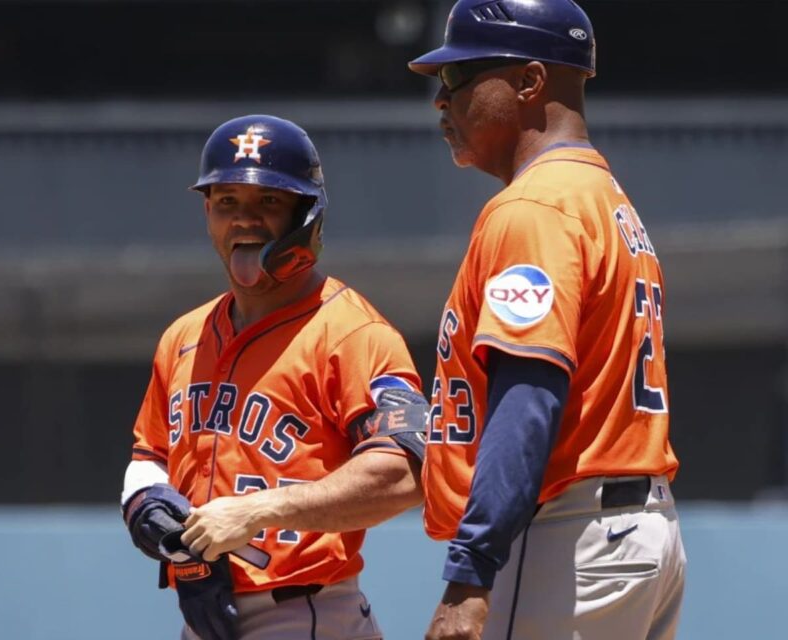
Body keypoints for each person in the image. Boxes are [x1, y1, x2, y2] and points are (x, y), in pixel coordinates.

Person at [407, 2, 686, 639]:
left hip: (563, 536)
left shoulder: (534, 205)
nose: (440, 101)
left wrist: (470, 573)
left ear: (531, 82)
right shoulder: (604, 198)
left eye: (459, 78)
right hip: (632, 535)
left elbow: (528, 398)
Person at [121, 114, 430, 640]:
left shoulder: (352, 332)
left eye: (268, 202)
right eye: (227, 203)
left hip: (306, 611)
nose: (244, 220)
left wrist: (257, 511)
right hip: (205, 613)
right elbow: (149, 456)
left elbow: (407, 473)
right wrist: (146, 506)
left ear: (305, 215)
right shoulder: (184, 336)